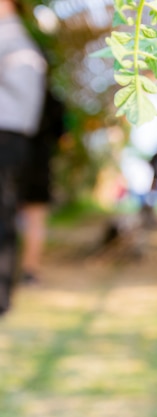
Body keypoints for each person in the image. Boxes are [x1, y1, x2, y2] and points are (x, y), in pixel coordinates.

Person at [0, 0, 47, 313]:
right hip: (11, 138)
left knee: (5, 217)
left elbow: (24, 113)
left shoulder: (18, 45)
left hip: (7, 137)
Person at [18, 87, 66, 285]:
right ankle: (30, 271)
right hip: (39, 165)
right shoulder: (53, 100)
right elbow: (63, 138)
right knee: (35, 221)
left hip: (11, 160)